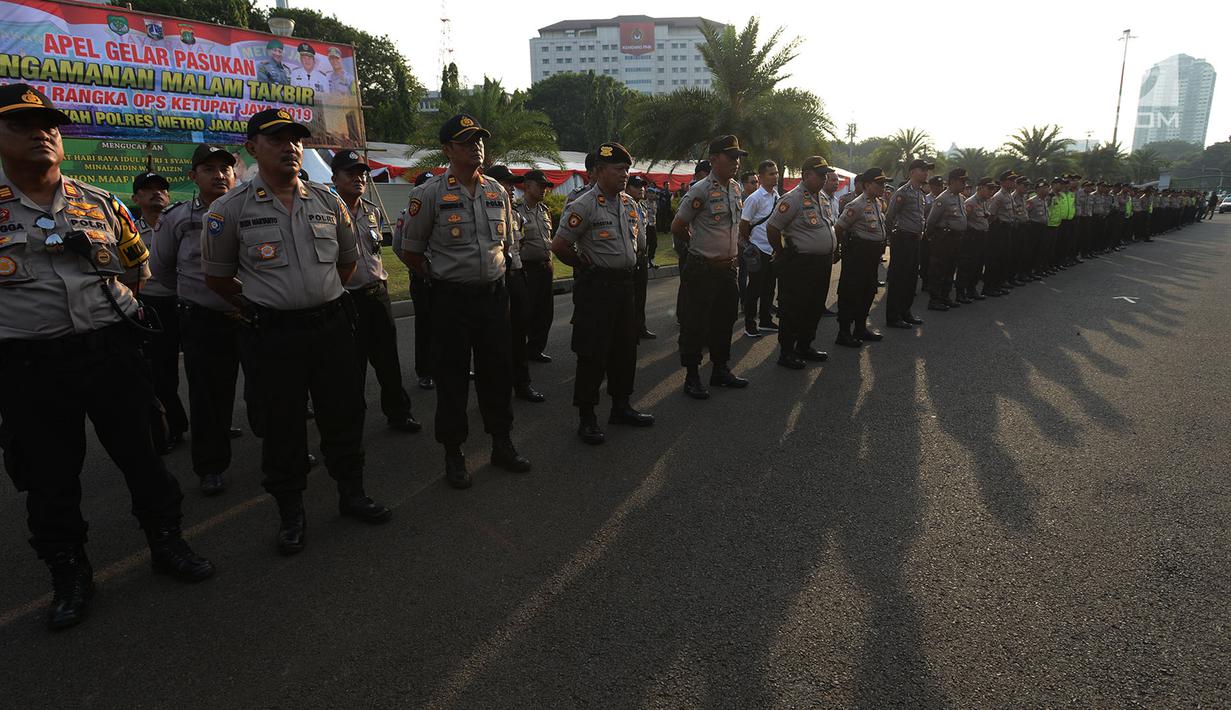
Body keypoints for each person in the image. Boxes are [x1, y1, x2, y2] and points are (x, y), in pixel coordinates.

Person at [0, 84, 214, 630]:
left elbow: (137, 273)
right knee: (49, 477)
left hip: (109, 354)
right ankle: (69, 574)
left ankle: (167, 543)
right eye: (23, 125)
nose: (42, 133)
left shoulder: (98, 202)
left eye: (49, 124)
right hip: (29, 366)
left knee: (144, 456)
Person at [203, 108, 392, 555]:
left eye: (296, 139)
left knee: (344, 414)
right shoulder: (229, 209)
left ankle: (352, 493)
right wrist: (263, 308)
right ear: (251, 149)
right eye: (276, 138)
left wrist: (316, 297)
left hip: (330, 326)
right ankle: (291, 511)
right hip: (273, 334)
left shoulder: (329, 203)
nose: (291, 146)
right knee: (282, 425)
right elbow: (217, 277)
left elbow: (347, 264)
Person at [402, 114, 532, 489]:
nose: (476, 146)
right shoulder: (428, 195)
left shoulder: (496, 191)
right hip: (451, 301)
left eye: (479, 140)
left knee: (497, 373)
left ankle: (501, 443)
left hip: (492, 297)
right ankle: (454, 453)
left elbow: (506, 246)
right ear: (447, 150)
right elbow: (410, 250)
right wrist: (436, 277)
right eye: (465, 141)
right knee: (452, 379)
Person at [151, 145, 242, 495]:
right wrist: (197, 293)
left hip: (252, 313)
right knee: (208, 397)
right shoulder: (176, 217)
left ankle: (284, 451)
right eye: (209, 169)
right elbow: (160, 268)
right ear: (193, 176)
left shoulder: (249, 210)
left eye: (225, 168)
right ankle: (211, 466)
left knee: (270, 389)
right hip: (203, 320)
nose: (219, 175)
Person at [551, 142, 654, 444]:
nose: (624, 175)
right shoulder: (584, 205)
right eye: (618, 169)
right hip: (597, 289)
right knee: (593, 354)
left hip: (625, 287)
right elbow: (559, 246)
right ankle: (587, 416)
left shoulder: (629, 204)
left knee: (625, 349)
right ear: (597, 172)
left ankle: (621, 407)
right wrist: (585, 266)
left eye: (626, 169)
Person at [331, 150, 424, 430]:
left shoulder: (372, 209)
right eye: (351, 173)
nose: (358, 179)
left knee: (388, 360)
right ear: (335, 178)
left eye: (361, 174)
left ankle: (398, 412)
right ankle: (352, 421)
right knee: (351, 365)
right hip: (347, 297)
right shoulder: (326, 212)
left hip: (377, 294)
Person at [671, 136, 750, 399]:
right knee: (695, 323)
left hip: (727, 269)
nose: (736, 162)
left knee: (724, 321)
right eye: (731, 157)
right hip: (702, 269)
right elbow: (677, 226)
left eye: (738, 157)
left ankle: (720, 369)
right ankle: (692, 376)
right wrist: (698, 246)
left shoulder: (737, 189)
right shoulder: (700, 190)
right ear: (715, 159)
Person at [131, 170, 189, 453]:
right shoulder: (129, 230)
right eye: (148, 189)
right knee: (162, 373)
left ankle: (215, 423)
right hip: (154, 307)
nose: (157, 193)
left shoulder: (181, 224)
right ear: (136, 198)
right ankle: (174, 426)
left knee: (204, 370)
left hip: (189, 302)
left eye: (161, 188)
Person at [765, 156, 837, 368]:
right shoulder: (792, 198)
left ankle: (804, 346)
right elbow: (772, 227)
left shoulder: (822, 198)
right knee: (794, 308)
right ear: (806, 175)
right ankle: (786, 353)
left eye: (826, 175)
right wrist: (780, 251)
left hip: (821, 263)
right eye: (820, 175)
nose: (824, 179)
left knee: (814, 307)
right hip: (799, 264)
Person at [485, 164, 545, 403]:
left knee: (519, 334)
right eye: (506, 183)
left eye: (511, 183)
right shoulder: (485, 211)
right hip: (496, 280)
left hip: (517, 276)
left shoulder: (514, 213)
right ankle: (496, 388)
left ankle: (522, 384)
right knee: (495, 338)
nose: (511, 188)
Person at [833, 168, 890, 347]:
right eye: (879, 183)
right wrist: (839, 250)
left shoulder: (878, 203)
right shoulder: (856, 205)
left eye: (883, 183)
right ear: (867, 185)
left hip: (872, 256)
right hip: (857, 255)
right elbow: (839, 228)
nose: (883, 187)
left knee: (867, 291)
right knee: (851, 292)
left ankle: (860, 328)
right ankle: (844, 333)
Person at [397, 171, 437, 388]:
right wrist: (419, 269)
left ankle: (447, 365)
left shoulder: (443, 210)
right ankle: (425, 371)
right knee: (425, 327)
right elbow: (398, 248)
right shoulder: (407, 214)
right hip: (422, 279)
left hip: (442, 279)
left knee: (448, 325)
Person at [514, 169, 559, 359]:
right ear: (527, 186)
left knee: (544, 311)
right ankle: (520, 350)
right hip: (526, 268)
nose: (543, 190)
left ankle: (536, 348)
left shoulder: (545, 211)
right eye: (540, 186)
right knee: (526, 311)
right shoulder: (517, 211)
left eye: (545, 187)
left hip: (545, 266)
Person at [883, 158, 931, 328]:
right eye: (922, 169)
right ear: (912, 172)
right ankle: (893, 316)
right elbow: (890, 216)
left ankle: (905, 312)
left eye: (927, 170)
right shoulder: (902, 192)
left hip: (915, 239)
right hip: (903, 239)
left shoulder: (920, 193)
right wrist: (890, 238)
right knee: (899, 278)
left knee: (911, 278)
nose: (926, 173)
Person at [738, 159, 780, 338]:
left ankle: (765, 320)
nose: (775, 176)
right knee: (754, 288)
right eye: (771, 174)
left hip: (772, 250)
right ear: (761, 177)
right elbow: (743, 225)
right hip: (758, 249)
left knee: (769, 287)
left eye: (776, 173)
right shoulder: (754, 198)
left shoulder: (776, 196)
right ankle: (749, 324)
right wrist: (750, 243)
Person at [923, 168, 970, 311]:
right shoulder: (942, 199)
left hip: (956, 238)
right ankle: (935, 299)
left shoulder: (960, 197)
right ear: (954, 182)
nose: (964, 185)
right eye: (962, 182)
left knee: (950, 269)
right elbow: (931, 221)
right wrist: (931, 237)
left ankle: (945, 296)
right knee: (939, 269)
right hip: (944, 239)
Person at [626, 174, 656, 340]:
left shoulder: (642, 207)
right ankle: (630, 330)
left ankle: (640, 327)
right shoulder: (623, 206)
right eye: (637, 186)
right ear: (627, 188)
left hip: (642, 256)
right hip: (631, 257)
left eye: (642, 186)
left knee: (641, 294)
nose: (641, 189)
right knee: (630, 296)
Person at [957, 176, 995, 302]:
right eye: (989, 188)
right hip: (971, 238)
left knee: (978, 266)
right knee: (967, 266)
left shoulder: (984, 202)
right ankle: (961, 292)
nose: (991, 191)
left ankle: (971, 289)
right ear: (980, 188)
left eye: (993, 189)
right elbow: (964, 222)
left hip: (982, 237)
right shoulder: (970, 203)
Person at [983, 170, 1018, 296]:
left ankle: (998, 284)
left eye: (1014, 180)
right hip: (998, 231)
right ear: (1003, 182)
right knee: (994, 259)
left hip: (1007, 228)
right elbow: (991, 215)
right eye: (1010, 180)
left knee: (1003, 258)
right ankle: (989, 287)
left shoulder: (1008, 195)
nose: (1013, 182)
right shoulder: (999, 196)